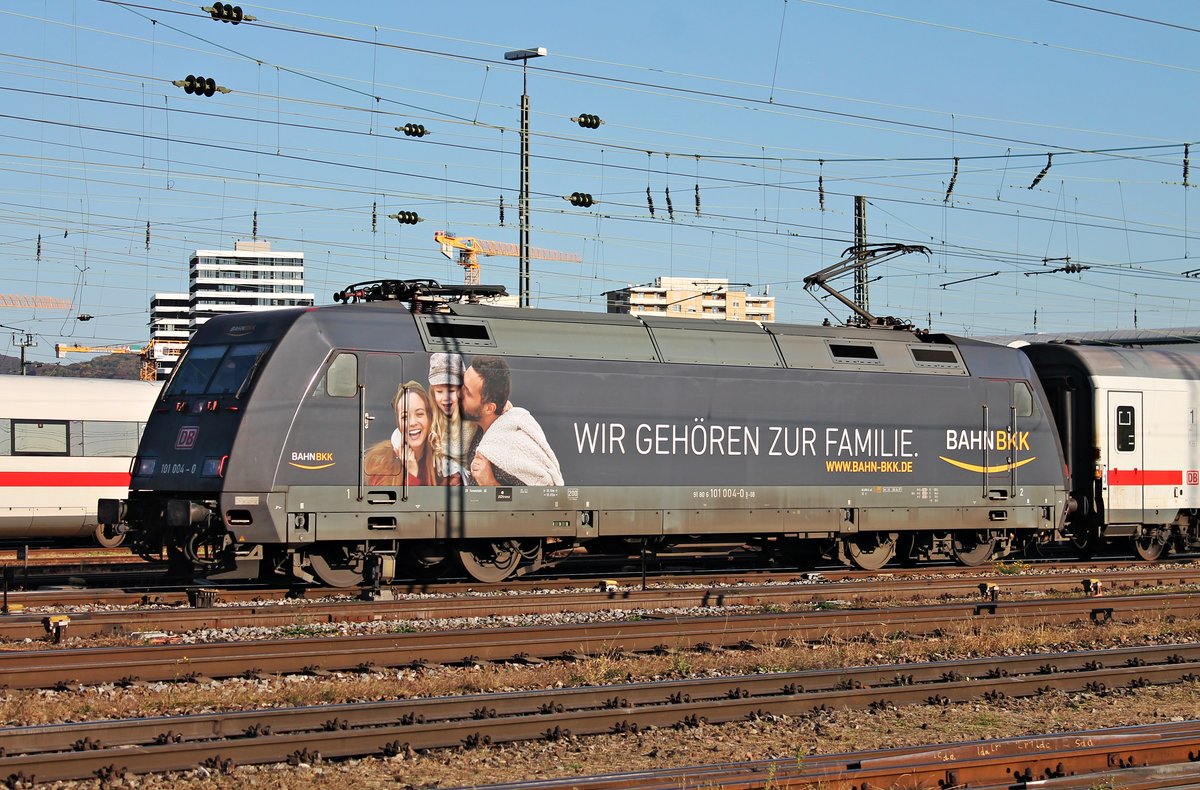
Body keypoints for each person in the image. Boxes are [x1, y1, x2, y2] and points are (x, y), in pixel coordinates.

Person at [461, 355, 563, 487]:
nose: (458, 393)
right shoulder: (483, 426)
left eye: (467, 392)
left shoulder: (508, 454)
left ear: (489, 408)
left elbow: (543, 500)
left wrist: (490, 483)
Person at [364, 381, 448, 486]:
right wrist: (411, 473)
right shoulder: (380, 462)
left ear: (429, 418)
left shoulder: (441, 464)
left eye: (419, 414)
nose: (412, 423)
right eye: (405, 417)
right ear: (398, 424)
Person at [427, 353, 475, 485]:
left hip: (470, 481)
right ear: (433, 392)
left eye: (451, 391)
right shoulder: (431, 417)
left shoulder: (472, 418)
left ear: (462, 391)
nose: (445, 398)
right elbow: (400, 434)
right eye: (439, 391)